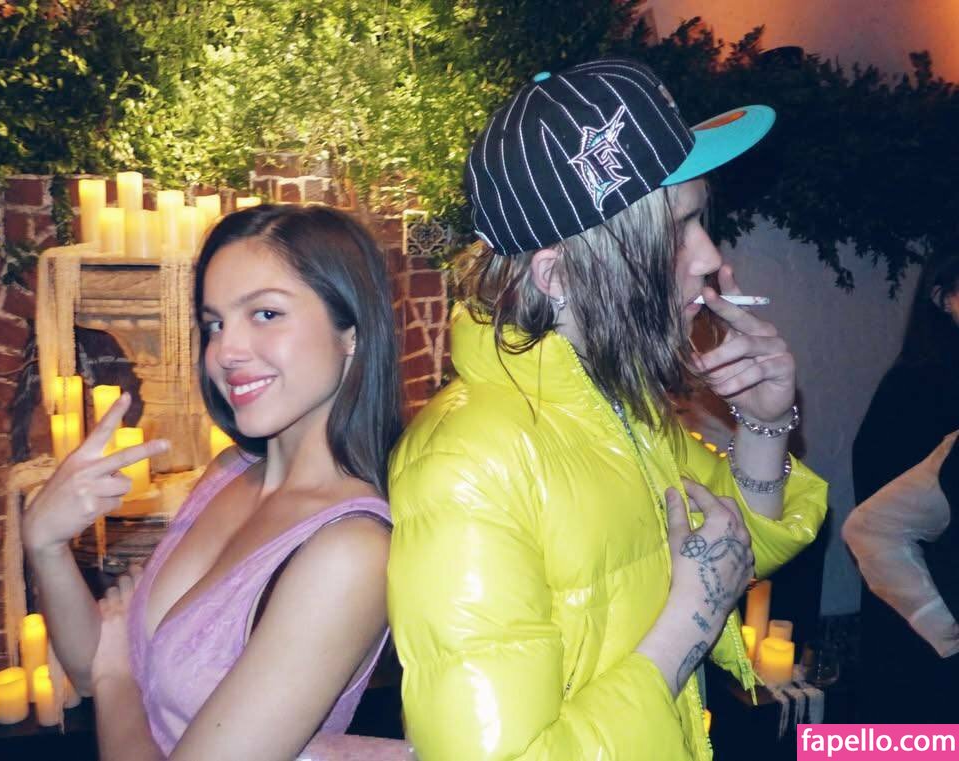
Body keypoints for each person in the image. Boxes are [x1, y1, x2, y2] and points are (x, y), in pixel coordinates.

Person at [386, 59, 828, 760]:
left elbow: (736, 548)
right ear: (557, 274)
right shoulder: (465, 464)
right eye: (676, 230)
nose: (709, 256)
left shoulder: (618, 406)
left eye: (701, 220)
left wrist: (765, 422)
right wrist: (690, 621)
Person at [23, 205, 405, 760]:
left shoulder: (350, 550)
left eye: (266, 313)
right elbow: (94, 661)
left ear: (352, 331)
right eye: (215, 324)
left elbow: (109, 672)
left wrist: (114, 679)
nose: (226, 351)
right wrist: (46, 543)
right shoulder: (230, 472)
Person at [848, 254, 959, 723]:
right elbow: (875, 523)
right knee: (912, 733)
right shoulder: (916, 383)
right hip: (921, 603)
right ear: (942, 298)